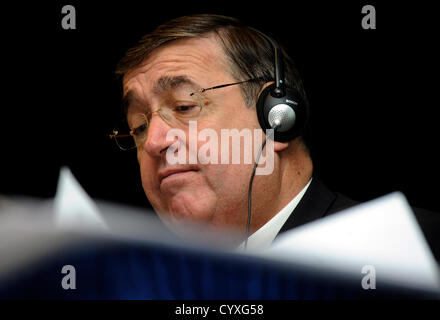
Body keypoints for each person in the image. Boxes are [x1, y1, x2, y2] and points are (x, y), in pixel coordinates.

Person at [112, 14, 440, 258]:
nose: (153, 141)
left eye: (184, 106)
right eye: (138, 126)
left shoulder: (410, 247)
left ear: (276, 116)